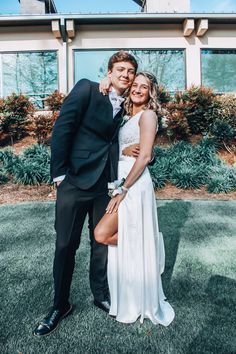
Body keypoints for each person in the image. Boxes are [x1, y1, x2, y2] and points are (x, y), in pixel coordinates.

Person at [33, 51, 139, 337]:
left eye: (130, 71)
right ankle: (60, 305)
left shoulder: (130, 106)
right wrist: (60, 175)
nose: (125, 75)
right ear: (109, 72)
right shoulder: (87, 89)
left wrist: (131, 151)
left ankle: (100, 294)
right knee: (65, 245)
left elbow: (123, 139)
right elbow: (62, 129)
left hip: (105, 185)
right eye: (120, 69)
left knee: (100, 242)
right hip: (74, 182)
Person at [94, 72, 175, 325]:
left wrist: (122, 190)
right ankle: (145, 246)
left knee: (101, 233)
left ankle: (147, 247)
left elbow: (145, 156)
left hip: (133, 183)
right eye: (135, 85)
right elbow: (122, 147)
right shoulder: (126, 117)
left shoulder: (148, 115)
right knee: (112, 233)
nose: (138, 89)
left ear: (151, 92)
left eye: (144, 87)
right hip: (122, 177)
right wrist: (126, 148)